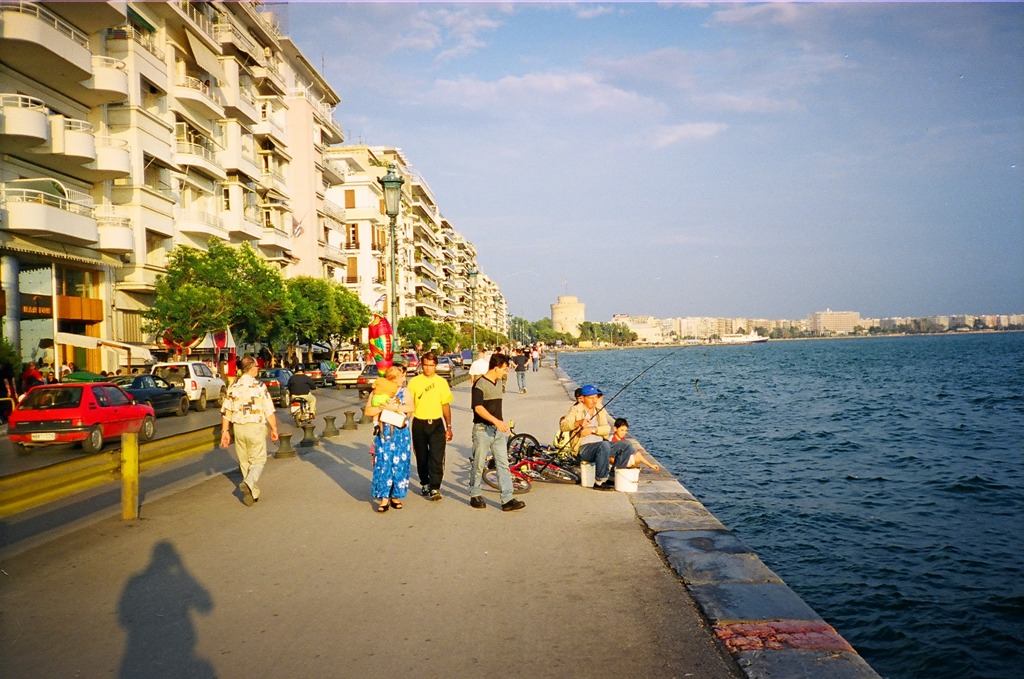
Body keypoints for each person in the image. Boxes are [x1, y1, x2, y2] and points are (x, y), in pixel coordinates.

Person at [467, 353, 525, 512]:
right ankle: (475, 493)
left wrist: (500, 423)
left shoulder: (498, 383)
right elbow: (478, 408)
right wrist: (496, 421)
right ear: (495, 367)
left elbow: (495, 407)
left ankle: (507, 498)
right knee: (479, 464)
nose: (506, 372)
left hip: (497, 431)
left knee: (503, 465)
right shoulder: (479, 384)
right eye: (504, 369)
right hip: (482, 430)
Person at [220, 356, 279, 506]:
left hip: (238, 428)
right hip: (256, 427)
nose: (258, 369)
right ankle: (249, 483)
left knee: (244, 461)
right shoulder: (259, 386)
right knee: (258, 460)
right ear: (252, 369)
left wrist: (225, 432)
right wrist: (274, 428)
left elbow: (226, 411)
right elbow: (269, 411)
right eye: (257, 367)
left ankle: (252, 492)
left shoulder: (233, 387)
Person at [559, 384, 634, 490]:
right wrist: (577, 423)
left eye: (595, 397)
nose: (594, 401)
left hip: (602, 446)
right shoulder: (575, 409)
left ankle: (612, 477)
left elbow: (607, 429)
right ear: (583, 398)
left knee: (626, 445)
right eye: (591, 398)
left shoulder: (599, 409)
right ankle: (600, 481)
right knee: (604, 445)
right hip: (583, 449)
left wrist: (592, 430)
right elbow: (563, 425)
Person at [364, 365, 414, 513]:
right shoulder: (377, 391)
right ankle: (384, 497)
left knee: (400, 464)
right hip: (384, 433)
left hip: (400, 434)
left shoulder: (405, 392)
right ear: (393, 379)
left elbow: (411, 407)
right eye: (401, 377)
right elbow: (368, 410)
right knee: (384, 464)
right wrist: (382, 408)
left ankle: (396, 496)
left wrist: (395, 408)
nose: (403, 379)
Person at [406, 351, 454, 501]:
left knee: (436, 456)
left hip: (436, 423)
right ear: (421, 365)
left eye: (431, 365)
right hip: (419, 423)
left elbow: (445, 405)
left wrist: (449, 426)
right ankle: (425, 483)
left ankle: (435, 487)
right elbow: (409, 405)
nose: (428, 368)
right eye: (425, 365)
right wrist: (404, 423)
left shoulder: (441, 382)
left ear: (435, 366)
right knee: (421, 456)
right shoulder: (414, 382)